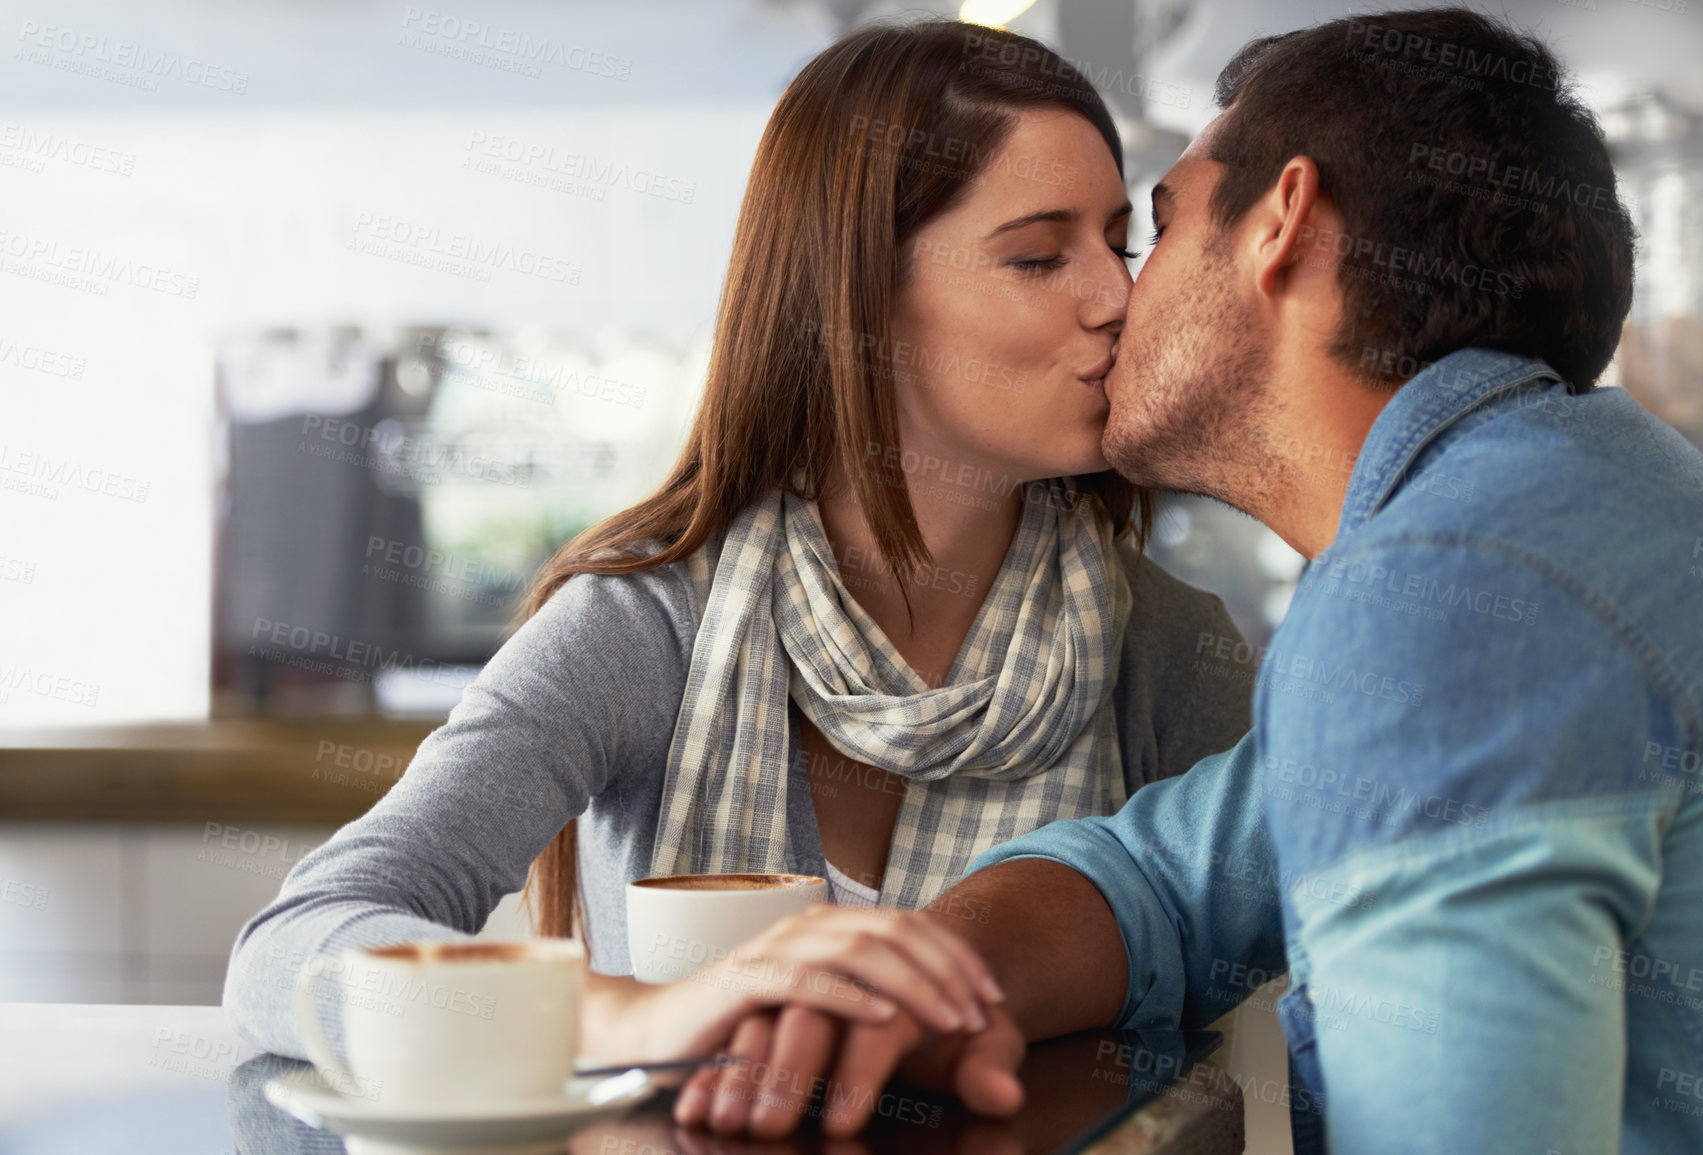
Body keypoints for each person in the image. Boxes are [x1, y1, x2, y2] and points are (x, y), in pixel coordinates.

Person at [676, 8, 1703, 1153]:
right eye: (1043, 254)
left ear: (1282, 222)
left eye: (1157, 228)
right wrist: (923, 979)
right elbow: (1168, 884)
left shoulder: (1453, 592)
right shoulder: (1569, 502)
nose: (1120, 296)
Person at [221, 20, 1255, 1103]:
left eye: (1117, 240)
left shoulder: (1170, 649)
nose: (1115, 297)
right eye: (1039, 256)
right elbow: (292, 949)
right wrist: (644, 1016)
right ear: (855, 294)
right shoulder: (646, 622)